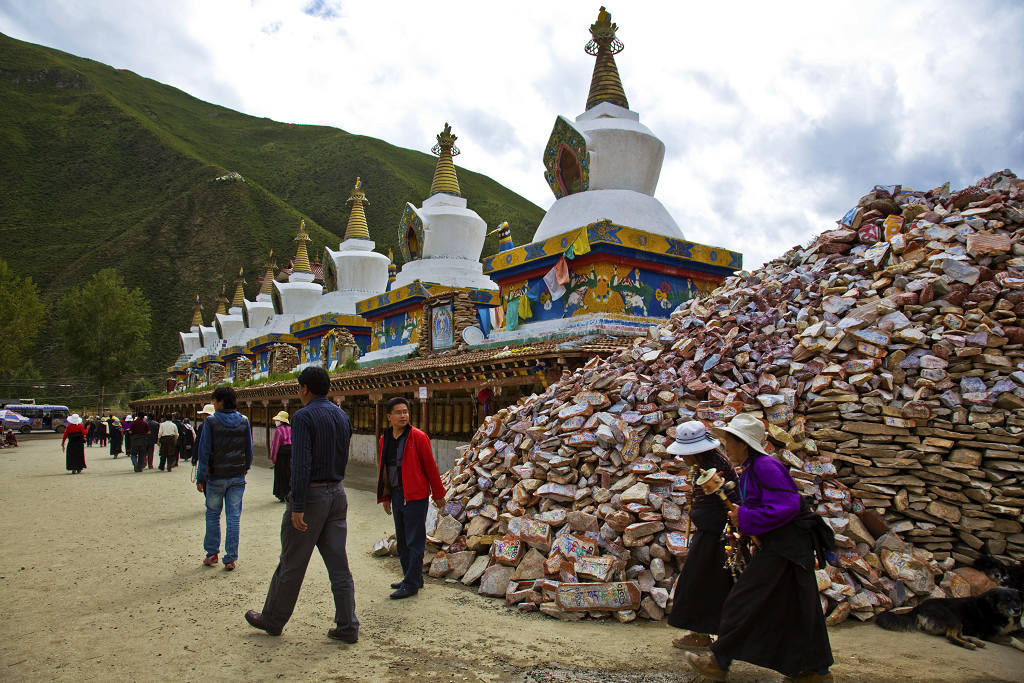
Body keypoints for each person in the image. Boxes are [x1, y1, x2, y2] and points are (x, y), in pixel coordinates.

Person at [686, 414, 834, 683]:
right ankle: (815, 672)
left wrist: (745, 518)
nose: (725, 447)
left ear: (743, 444)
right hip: (782, 546)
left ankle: (718, 662)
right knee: (798, 607)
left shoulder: (766, 466)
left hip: (786, 546)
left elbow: (787, 505)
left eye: (729, 441)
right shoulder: (752, 469)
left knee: (743, 600)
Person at [246, 366, 357, 641]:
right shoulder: (342, 416)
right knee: (339, 565)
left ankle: (273, 618)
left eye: (299, 387)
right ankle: (347, 625)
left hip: (312, 497)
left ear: (305, 388)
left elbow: (301, 463)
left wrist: (297, 504)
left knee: (292, 562)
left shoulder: (304, 417)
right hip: (337, 493)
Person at [665, 421, 739, 650]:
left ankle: (709, 635)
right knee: (704, 583)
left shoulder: (713, 467)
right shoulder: (705, 464)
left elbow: (725, 503)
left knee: (702, 583)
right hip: (712, 532)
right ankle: (704, 633)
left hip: (719, 535)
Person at [376, 396, 446, 599]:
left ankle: (411, 583)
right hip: (397, 494)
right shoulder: (384, 439)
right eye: (398, 412)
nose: (403, 415)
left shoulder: (418, 437)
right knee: (402, 539)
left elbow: (430, 467)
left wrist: (439, 492)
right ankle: (411, 576)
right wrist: (385, 497)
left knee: (414, 540)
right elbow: (384, 470)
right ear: (389, 416)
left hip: (416, 496)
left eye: (405, 412)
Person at [195, 387, 252, 571]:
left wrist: (201, 477)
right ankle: (230, 558)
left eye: (214, 401)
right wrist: (244, 468)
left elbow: (204, 452)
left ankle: (212, 553)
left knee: (212, 514)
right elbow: (248, 450)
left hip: (216, 476)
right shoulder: (244, 421)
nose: (213, 404)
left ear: (220, 401)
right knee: (233, 516)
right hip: (237, 476)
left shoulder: (211, 422)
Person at [269, 410, 292, 502]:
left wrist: (273, 458)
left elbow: (276, 445)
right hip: (291, 454)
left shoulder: (278, 431)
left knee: (281, 475)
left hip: (281, 455)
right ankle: (290, 493)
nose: (276, 422)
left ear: (281, 421)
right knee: (289, 474)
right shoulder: (291, 429)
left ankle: (282, 494)